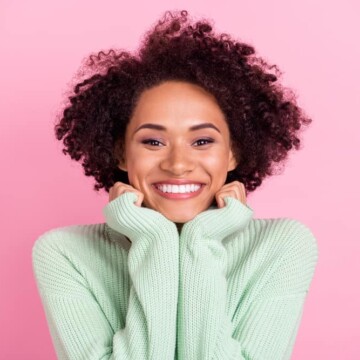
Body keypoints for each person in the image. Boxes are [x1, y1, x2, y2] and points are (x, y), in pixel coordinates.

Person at [32, 9, 318, 360]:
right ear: (121, 153)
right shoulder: (65, 254)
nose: (178, 164)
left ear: (233, 153)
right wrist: (155, 240)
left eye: (202, 142)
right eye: (153, 142)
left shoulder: (282, 247)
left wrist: (202, 239)